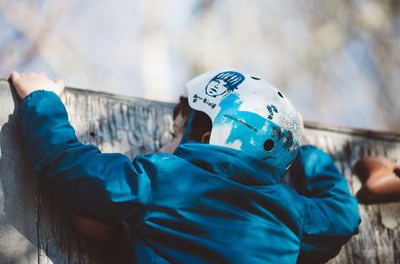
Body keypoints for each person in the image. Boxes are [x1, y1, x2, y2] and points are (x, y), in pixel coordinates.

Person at [10, 69, 360, 263]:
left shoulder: (167, 179)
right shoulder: (292, 213)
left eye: (176, 133)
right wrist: (305, 149)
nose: (163, 146)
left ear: (208, 136)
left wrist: (42, 100)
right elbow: (343, 216)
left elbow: (68, 165)